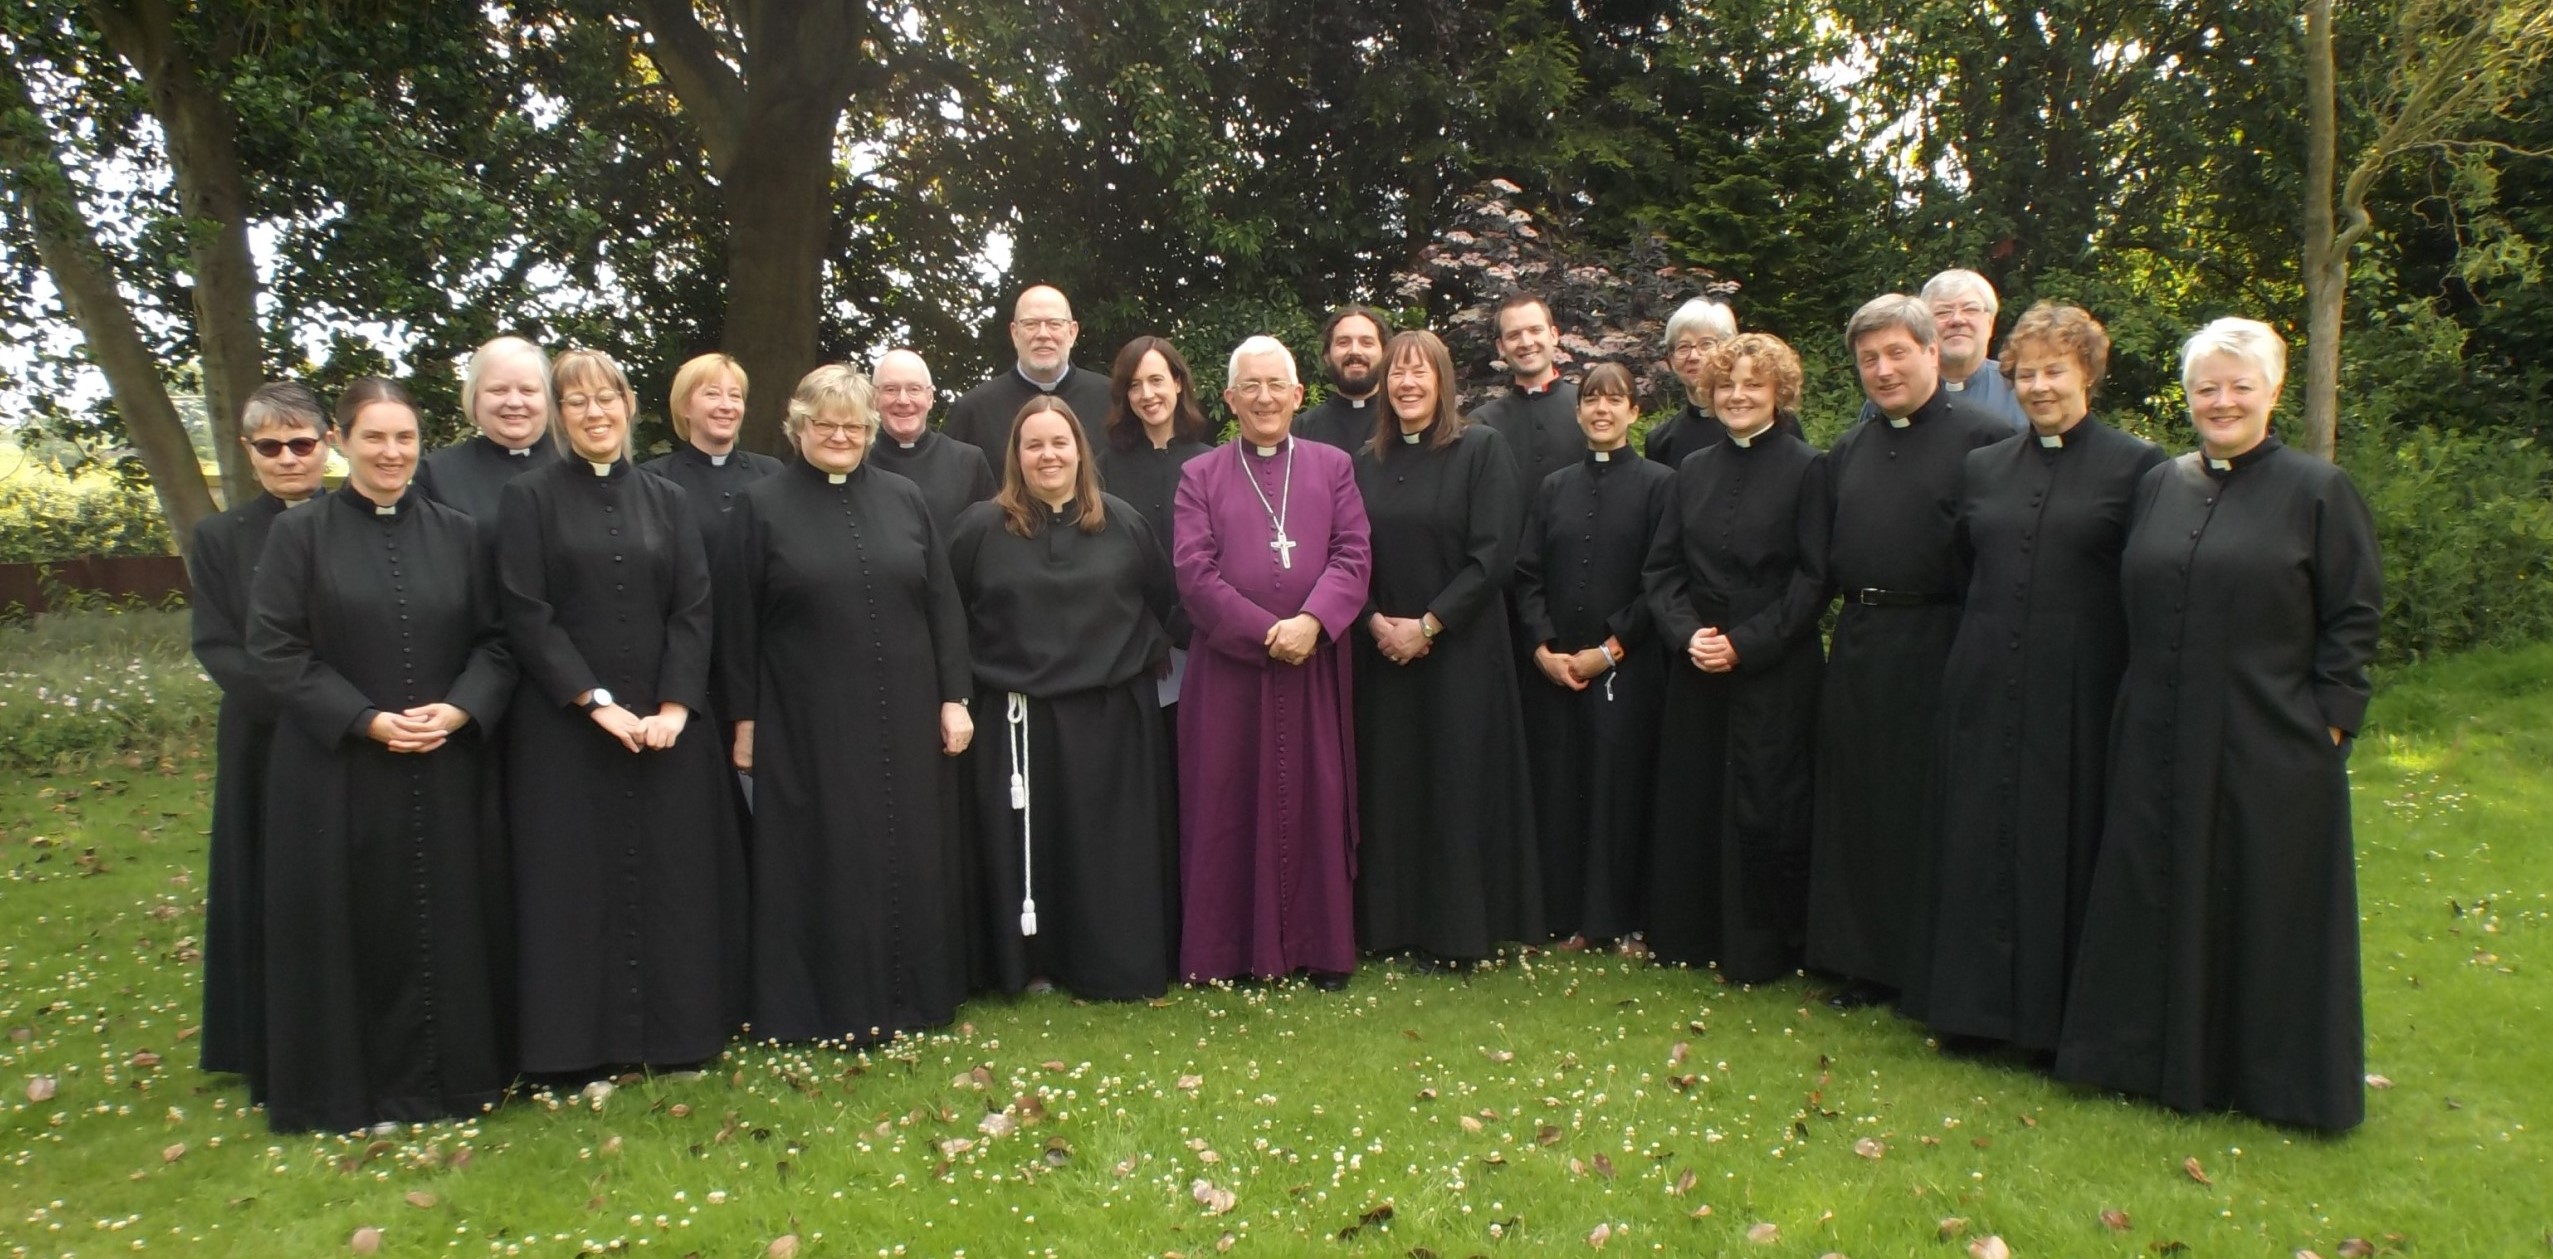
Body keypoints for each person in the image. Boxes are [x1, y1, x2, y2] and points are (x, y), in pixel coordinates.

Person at [2058, 319, 2381, 1132]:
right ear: (2188, 395)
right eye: (2206, 386)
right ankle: (2138, 1058)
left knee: (2262, 904)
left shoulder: (2318, 490)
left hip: (2268, 736)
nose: (2222, 400)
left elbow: (2352, 617)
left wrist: (2330, 723)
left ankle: (2273, 1083)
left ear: (2271, 391)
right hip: (2156, 730)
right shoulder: (2162, 483)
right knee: (2150, 889)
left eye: (2240, 385)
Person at [248, 377, 516, 1132]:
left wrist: (460, 706)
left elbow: (497, 643)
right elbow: (275, 649)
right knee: (354, 928)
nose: (391, 452)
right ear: (340, 442)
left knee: (450, 923)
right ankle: (355, 1093)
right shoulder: (298, 536)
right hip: (340, 771)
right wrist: (364, 719)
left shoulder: (461, 533)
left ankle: (459, 1083)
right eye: (374, 437)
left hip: (446, 763)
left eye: (404, 438)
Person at [1916, 305, 2165, 1052]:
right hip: (1986, 677)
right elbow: (1965, 566)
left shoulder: (2136, 466)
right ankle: (1972, 1012)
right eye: (2024, 373)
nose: (2037, 386)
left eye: (2054, 370)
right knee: (1978, 837)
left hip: (2079, 685)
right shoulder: (1985, 463)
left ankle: (2056, 1019)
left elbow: (2141, 582)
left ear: (2087, 371)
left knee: (2064, 841)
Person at [495, 349, 747, 1076]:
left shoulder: (666, 498)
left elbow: (694, 608)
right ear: (558, 414)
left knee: (674, 882)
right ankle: (578, 1049)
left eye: (606, 398)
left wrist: (674, 705)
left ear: (630, 405)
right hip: (568, 732)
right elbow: (527, 611)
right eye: (577, 402)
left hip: (668, 730)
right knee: (575, 888)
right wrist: (596, 702)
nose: (594, 413)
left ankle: (679, 1040)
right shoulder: (530, 499)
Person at [718, 365, 975, 1045]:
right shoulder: (759, 504)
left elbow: (942, 604)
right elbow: (736, 621)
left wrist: (954, 698)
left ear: (869, 432)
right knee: (823, 854)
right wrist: (743, 718)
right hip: (808, 719)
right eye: (824, 425)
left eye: (852, 426)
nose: (839, 436)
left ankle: (915, 997)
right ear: (797, 428)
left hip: (908, 711)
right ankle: (818, 1008)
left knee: (909, 849)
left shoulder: (904, 497)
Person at [1805, 295, 2009, 1010]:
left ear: (1931, 352)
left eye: (1896, 353)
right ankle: (1862, 960)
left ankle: (1924, 962)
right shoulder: (1850, 449)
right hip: (1860, 638)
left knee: (1926, 804)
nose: (1883, 370)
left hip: (1941, 638)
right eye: (1869, 359)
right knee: (1858, 801)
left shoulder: (1985, 440)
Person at [950, 398, 1180, 1000]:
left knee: (1105, 854)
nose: (1048, 456)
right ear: (1016, 456)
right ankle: (1027, 967)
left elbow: (1162, 599)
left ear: (1081, 450)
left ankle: (1107, 966)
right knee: (1029, 850)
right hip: (1015, 722)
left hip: (1111, 718)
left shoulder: (1125, 523)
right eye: (1034, 445)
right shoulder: (978, 528)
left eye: (1060, 443)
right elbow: (949, 615)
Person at [1172, 336, 1371, 987]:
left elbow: (1352, 553)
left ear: (1297, 394)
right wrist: (1266, 632)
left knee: (1315, 797)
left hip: (1311, 664)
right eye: (1248, 386)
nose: (1262, 397)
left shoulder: (1332, 464)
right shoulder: (1199, 475)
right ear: (1228, 399)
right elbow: (1194, 574)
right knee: (1228, 802)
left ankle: (1319, 947)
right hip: (1231, 671)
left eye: (1274, 385)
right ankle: (1232, 950)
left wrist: (1311, 623)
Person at [1353, 329, 1541, 966]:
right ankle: (1391, 925)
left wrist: (1427, 626)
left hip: (1460, 650)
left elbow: (1493, 556)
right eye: (1396, 373)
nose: (1406, 384)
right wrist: (1377, 621)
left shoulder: (1481, 450)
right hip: (1383, 654)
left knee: (1455, 786)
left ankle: (1457, 933)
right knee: (1394, 788)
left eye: (1419, 372)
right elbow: (1350, 555)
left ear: (1442, 382)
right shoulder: (1363, 462)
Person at [1642, 333, 1826, 982]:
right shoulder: (1689, 470)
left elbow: (1812, 578)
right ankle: (1688, 936)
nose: (1738, 395)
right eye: (1725, 385)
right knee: (1694, 797)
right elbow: (1660, 570)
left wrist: (1744, 643)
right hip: (1696, 658)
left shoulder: (1808, 467)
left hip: (1771, 663)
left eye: (1752, 384)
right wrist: (1687, 634)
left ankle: (1761, 947)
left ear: (1778, 391)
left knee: (1763, 802)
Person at [189, 381, 332, 1097]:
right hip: (266, 735)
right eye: (270, 446)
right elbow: (219, 645)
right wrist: (302, 704)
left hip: (347, 731)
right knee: (263, 880)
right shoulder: (219, 538)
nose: (287, 457)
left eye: (300, 443)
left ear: (327, 445)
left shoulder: (356, 520)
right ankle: (256, 1034)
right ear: (249, 454)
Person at [1512, 362, 1673, 950]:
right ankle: (1565, 917)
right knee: (1560, 789)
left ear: (1634, 412)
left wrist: (1609, 650)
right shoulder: (1554, 487)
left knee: (1618, 791)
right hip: (1556, 669)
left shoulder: (1661, 485)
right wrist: (1542, 649)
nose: (1602, 410)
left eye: (1615, 401)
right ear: (1578, 412)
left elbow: (1662, 579)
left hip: (1626, 668)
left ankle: (1618, 919)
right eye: (1591, 400)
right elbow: (1526, 574)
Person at [1095, 336, 1217, 701]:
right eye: (1134, 386)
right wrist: (1151, 637)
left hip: (1205, 642)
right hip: (1132, 650)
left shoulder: (1212, 463)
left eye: (1156, 380)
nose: (1147, 394)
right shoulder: (1103, 470)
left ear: (1178, 383)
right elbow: (1101, 560)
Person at [640, 352, 785, 555]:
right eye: (712, 394)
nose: (726, 406)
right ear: (684, 407)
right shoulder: (654, 479)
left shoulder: (770, 471)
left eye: (735, 396)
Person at [943, 286, 1115, 453]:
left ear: (1072, 332)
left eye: (1054, 324)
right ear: (1015, 333)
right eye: (1030, 324)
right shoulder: (973, 410)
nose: (1042, 334)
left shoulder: (1111, 399)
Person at [414, 336, 561, 519]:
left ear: (548, 398)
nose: (514, 402)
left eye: (527, 390)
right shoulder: (435, 474)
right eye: (498, 390)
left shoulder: (577, 463)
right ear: (474, 398)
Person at [1470, 292, 1581, 524]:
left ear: (1553, 335)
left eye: (1535, 330)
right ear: (1501, 347)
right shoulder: (1481, 423)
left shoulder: (1589, 409)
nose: (1526, 342)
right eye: (1514, 335)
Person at [871, 348, 999, 531]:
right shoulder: (858, 459)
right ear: (875, 398)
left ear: (930, 397)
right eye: (891, 389)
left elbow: (989, 535)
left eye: (914, 389)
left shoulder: (968, 462)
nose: (903, 400)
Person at [1925, 270, 2028, 432]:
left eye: (1970, 309)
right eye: (1943, 312)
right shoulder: (1899, 391)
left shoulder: (2021, 388)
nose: (1957, 320)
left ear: (1990, 323)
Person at [1642, 299, 1739, 470]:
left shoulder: (1760, 421)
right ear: (1671, 360)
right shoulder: (1660, 442)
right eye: (1683, 347)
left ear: (1727, 351)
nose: (1693, 356)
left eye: (1706, 344)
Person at [1296, 305, 1391, 453]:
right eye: (1343, 342)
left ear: (1385, 354)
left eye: (1366, 343)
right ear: (1326, 356)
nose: (1355, 351)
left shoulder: (1402, 422)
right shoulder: (1302, 429)